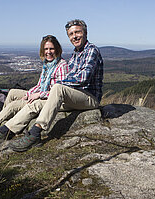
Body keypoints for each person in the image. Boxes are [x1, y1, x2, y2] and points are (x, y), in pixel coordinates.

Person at [7, 19, 104, 152]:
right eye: (71, 34)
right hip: (75, 96)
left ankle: (36, 133)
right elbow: (70, 78)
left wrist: (58, 85)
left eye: (77, 32)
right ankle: (9, 129)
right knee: (42, 101)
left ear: (85, 33)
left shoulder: (91, 51)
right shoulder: (75, 54)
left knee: (57, 88)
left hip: (90, 98)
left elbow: (83, 79)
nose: (74, 36)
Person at [0, 35, 68, 143]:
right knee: (12, 93)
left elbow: (59, 91)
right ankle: (1, 124)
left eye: (51, 48)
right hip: (42, 93)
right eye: (46, 49)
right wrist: (29, 94)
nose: (48, 52)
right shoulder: (47, 65)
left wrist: (38, 95)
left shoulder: (62, 65)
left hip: (49, 98)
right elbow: (39, 85)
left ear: (57, 49)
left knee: (13, 106)